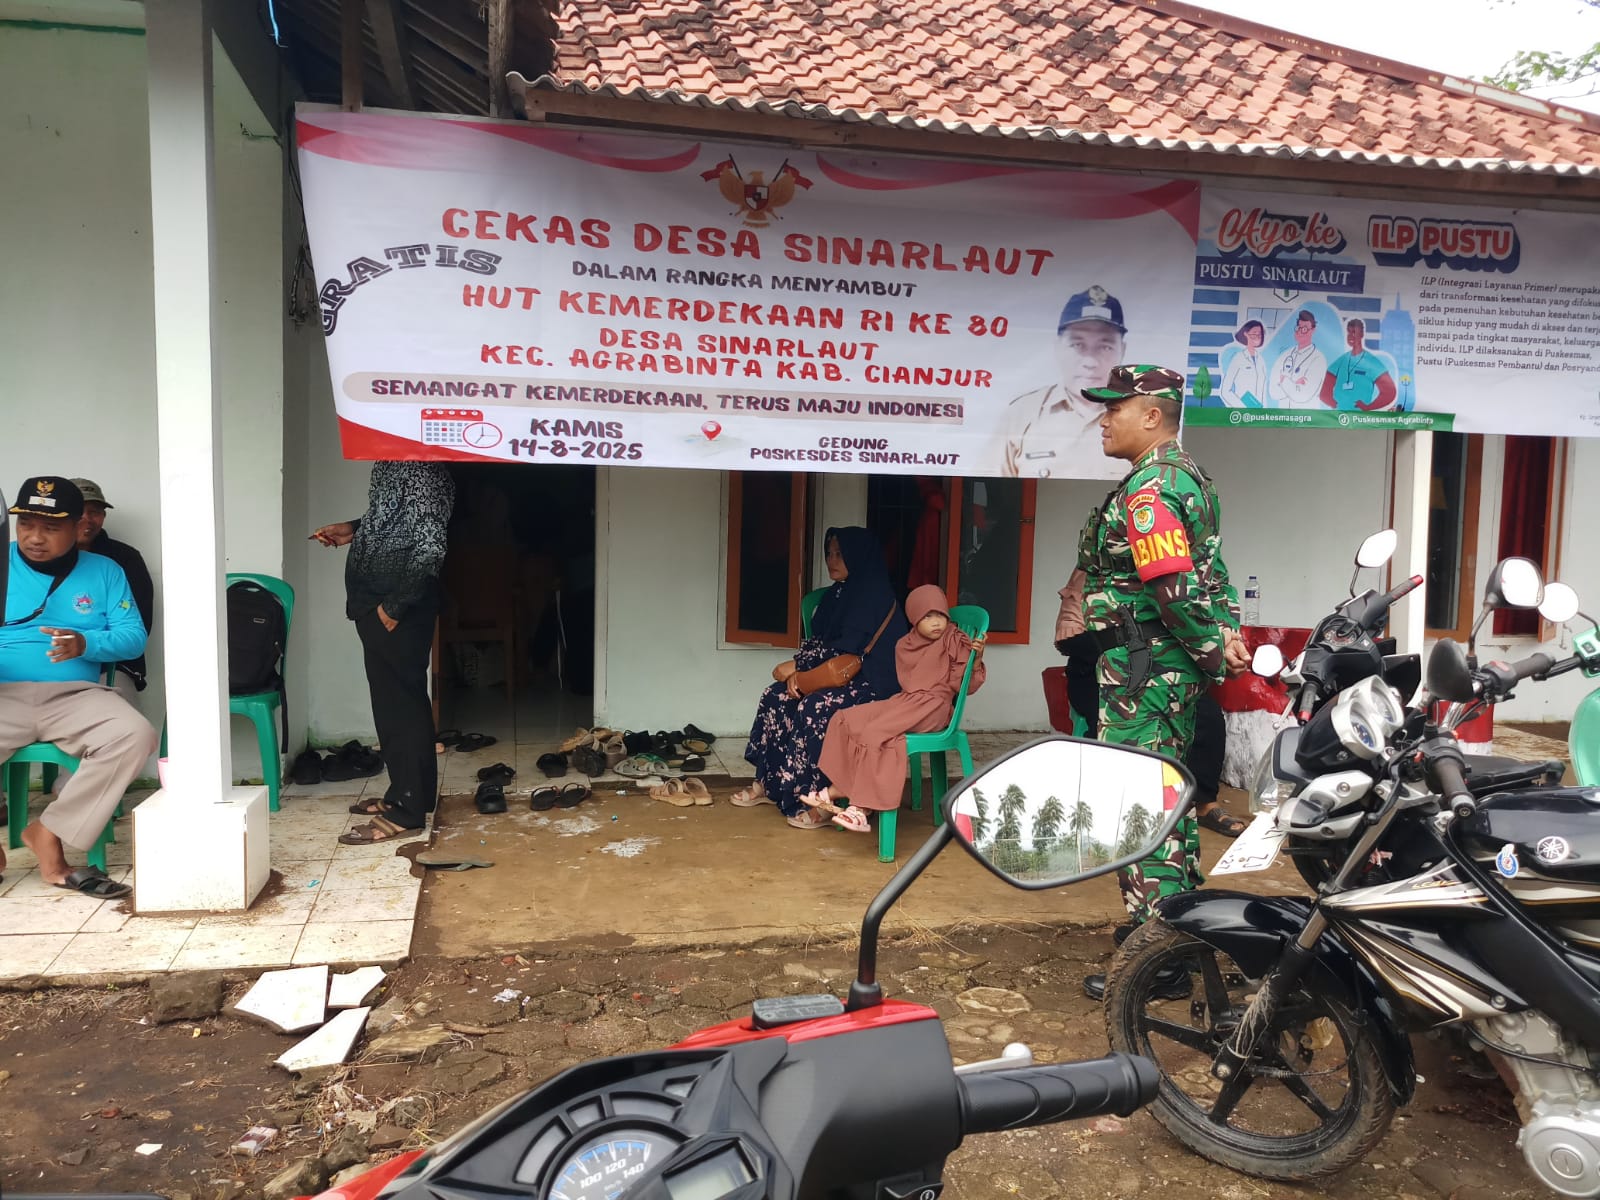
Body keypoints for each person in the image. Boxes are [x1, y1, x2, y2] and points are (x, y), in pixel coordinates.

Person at [1071, 366, 1247, 1002]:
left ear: (1152, 415)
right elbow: (1213, 575)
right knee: (1167, 804)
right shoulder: (1185, 478)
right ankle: (1175, 933)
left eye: (1114, 408)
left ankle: (1160, 960)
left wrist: (1212, 651)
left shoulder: (1151, 489)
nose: (1103, 418)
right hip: (1156, 668)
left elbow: (1172, 589)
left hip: (1144, 674)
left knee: (1141, 807)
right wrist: (1224, 636)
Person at [0, 477, 157, 900]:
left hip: (74, 695)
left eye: (50, 527)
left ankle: (49, 833)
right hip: (3, 692)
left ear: (77, 525)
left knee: (134, 735)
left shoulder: (105, 571)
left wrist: (87, 643)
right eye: (26, 524)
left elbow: (133, 637)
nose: (35, 537)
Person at [311, 461, 454, 844]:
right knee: (394, 703)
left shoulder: (424, 469)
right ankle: (407, 795)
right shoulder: (391, 461)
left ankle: (408, 811)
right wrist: (355, 529)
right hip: (374, 604)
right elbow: (397, 520)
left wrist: (394, 607)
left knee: (401, 706)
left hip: (396, 609)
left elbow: (430, 547)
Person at [734, 527, 908, 827]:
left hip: (873, 684)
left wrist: (800, 668)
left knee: (814, 707)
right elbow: (820, 642)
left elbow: (848, 648)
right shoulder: (837, 594)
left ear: (858, 556)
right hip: (838, 675)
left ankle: (822, 799)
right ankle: (771, 783)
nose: (832, 560)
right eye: (829, 553)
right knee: (776, 696)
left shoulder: (873, 595)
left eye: (840, 554)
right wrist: (802, 671)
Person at [1055, 567, 1238, 835]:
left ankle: (1203, 802)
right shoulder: (1093, 577)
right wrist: (1127, 644)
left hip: (1162, 672)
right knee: (1124, 726)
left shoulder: (1174, 573)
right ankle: (1122, 810)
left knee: (1207, 716)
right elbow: (1071, 643)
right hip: (1101, 676)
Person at [801, 584, 987, 833]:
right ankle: (842, 788)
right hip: (907, 701)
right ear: (914, 619)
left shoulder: (954, 639)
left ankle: (859, 808)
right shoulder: (905, 645)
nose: (936, 622)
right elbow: (908, 686)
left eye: (941, 615)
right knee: (845, 719)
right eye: (927, 616)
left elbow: (965, 686)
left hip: (934, 706)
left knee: (875, 733)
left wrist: (976, 659)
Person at [1000, 285, 1127, 478]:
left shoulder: (1142, 419)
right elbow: (990, 483)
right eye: (1077, 345)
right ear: (1058, 348)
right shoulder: (1021, 415)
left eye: (1105, 347)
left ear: (1122, 351)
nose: (1090, 362)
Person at [71, 479, 155, 693]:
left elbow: (137, 625)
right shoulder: (31, 559)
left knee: (110, 705)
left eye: (95, 512)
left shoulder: (124, 559)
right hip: (53, 662)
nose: (87, 519)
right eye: (79, 511)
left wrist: (85, 643)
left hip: (113, 664)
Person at [1320, 318, 1397, 411]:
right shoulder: (1341, 360)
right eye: (1349, 332)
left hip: (1360, 417)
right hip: (1339, 417)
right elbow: (1324, 394)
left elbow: (1390, 392)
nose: (1350, 336)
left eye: (1354, 332)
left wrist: (1369, 407)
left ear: (1362, 334)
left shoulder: (1371, 361)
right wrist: (1336, 406)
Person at [1267, 310, 1326, 409]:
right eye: (1298, 327)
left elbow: (1304, 395)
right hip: (1283, 416)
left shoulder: (1318, 359)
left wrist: (1284, 381)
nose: (1300, 331)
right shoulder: (1284, 356)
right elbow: (1273, 393)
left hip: (1306, 416)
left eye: (1304, 329)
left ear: (1313, 330)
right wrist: (1295, 384)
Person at [1219, 320, 1267, 408]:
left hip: (1258, 412)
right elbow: (1225, 391)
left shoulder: (1261, 360)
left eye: (1260, 334)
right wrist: (1241, 407)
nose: (1257, 337)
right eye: (1254, 334)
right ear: (1246, 334)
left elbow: (1262, 390)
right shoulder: (1239, 358)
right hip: (1242, 411)